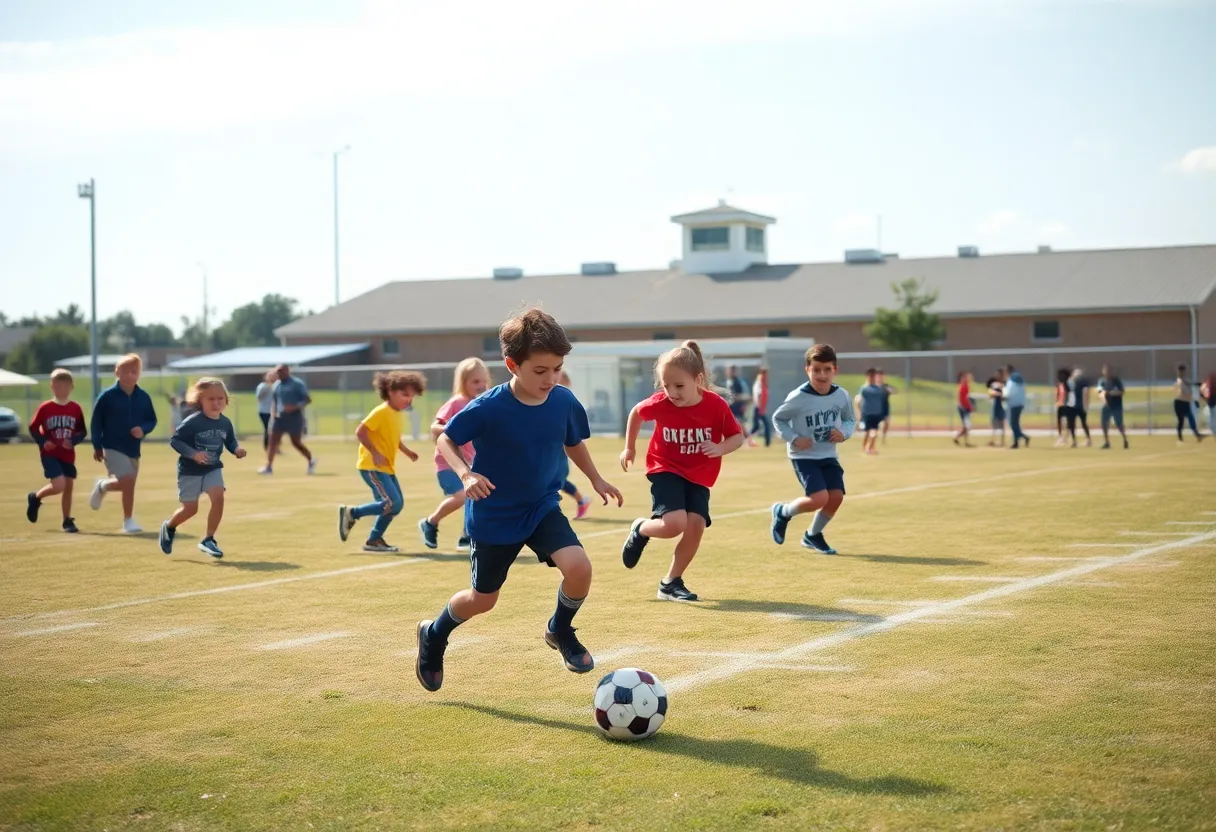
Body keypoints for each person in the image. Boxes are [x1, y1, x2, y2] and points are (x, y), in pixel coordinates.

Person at [413, 308, 623, 692]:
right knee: (483, 600)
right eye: (540, 371)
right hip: (494, 515)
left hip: (541, 506)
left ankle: (560, 629)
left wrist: (596, 478)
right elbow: (446, 438)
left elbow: (572, 440)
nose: (550, 378)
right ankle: (435, 634)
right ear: (512, 364)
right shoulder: (489, 406)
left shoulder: (564, 401)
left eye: (556, 368)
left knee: (579, 568)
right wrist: (465, 472)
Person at [618, 340, 745, 602]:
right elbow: (636, 413)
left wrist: (720, 448)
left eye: (679, 386)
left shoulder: (715, 405)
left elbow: (737, 437)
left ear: (698, 379)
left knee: (696, 525)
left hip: (699, 473)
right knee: (675, 524)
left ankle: (670, 583)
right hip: (665, 466)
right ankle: (641, 528)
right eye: (666, 386)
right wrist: (629, 448)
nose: (672, 392)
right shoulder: (661, 403)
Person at [769, 344, 855, 555]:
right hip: (804, 456)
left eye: (827, 369)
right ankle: (783, 511)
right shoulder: (798, 397)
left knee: (836, 497)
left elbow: (849, 419)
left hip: (828, 455)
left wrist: (843, 433)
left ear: (835, 370)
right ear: (807, 369)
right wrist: (794, 438)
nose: (822, 375)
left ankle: (813, 535)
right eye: (816, 369)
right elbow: (778, 419)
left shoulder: (841, 395)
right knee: (818, 499)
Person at [337, 371, 426, 553]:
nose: (409, 400)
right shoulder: (381, 412)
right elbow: (361, 431)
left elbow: (394, 439)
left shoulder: (397, 414)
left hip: (386, 468)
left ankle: (374, 540)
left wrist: (407, 452)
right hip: (372, 466)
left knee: (394, 506)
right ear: (390, 391)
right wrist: (375, 453)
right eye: (405, 395)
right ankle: (353, 513)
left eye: (412, 396)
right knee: (393, 503)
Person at [159, 378, 247, 558]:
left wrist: (236, 449)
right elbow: (175, 440)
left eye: (220, 399)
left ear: (226, 400)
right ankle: (169, 526)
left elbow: (230, 440)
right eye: (211, 399)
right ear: (200, 401)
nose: (216, 403)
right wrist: (193, 454)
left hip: (212, 468)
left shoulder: (225, 423)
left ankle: (209, 539)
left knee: (218, 497)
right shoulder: (193, 422)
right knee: (190, 509)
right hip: (189, 471)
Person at [419, 358, 490, 552]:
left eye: (483, 381)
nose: (481, 386)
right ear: (463, 382)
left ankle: (467, 537)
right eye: (475, 382)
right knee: (462, 497)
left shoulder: (482, 404)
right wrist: (453, 430)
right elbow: (435, 427)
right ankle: (430, 522)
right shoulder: (456, 403)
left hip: (470, 465)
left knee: (478, 497)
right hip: (447, 464)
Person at [88, 354, 157, 533]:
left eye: (134, 372)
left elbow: (151, 420)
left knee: (127, 483)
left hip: (133, 448)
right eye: (125, 371)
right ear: (117, 372)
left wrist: (143, 429)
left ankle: (103, 486)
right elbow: (96, 422)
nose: (130, 375)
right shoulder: (107, 397)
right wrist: (97, 445)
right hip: (111, 446)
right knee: (127, 480)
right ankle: (128, 520)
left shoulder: (143, 397)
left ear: (139, 374)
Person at [26, 368, 87, 534]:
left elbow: (82, 431)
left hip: (67, 455)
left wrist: (73, 440)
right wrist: (43, 441)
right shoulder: (45, 408)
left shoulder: (75, 408)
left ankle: (67, 520)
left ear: (71, 387)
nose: (61, 389)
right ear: (51, 386)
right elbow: (33, 428)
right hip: (50, 454)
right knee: (59, 485)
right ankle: (36, 497)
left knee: (68, 487)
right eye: (57, 385)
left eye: (65, 386)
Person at [260, 364, 316, 475]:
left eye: (281, 371)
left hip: (294, 418)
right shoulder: (277, 385)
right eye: (277, 372)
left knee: (296, 442)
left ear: (287, 371)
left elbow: (307, 399)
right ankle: (268, 467)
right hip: (279, 418)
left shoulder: (297, 384)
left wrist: (294, 407)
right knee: (273, 441)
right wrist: (273, 415)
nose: (278, 374)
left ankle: (311, 459)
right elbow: (275, 401)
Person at [555, 369, 593, 520]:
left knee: (558, 479)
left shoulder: (566, 401)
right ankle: (581, 500)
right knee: (553, 479)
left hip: (562, 448)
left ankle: (582, 500)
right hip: (550, 447)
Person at [1097, 364, 1128, 450]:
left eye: (1108, 370)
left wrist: (1111, 393)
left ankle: (1125, 439)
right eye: (1105, 370)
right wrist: (1104, 400)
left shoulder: (1116, 381)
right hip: (1106, 406)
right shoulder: (1101, 381)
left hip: (1116, 406)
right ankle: (1107, 442)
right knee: (1104, 424)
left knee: (1119, 424)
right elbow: (1100, 392)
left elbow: (1121, 392)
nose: (1106, 372)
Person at [854, 368, 885, 455]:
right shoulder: (864, 389)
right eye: (870, 376)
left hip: (876, 414)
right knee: (867, 432)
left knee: (874, 431)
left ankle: (870, 448)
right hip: (866, 413)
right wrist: (858, 412)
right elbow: (857, 401)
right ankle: (865, 448)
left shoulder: (878, 389)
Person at [1172, 364, 1205, 443]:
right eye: (1181, 371)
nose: (1182, 372)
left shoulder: (1186, 380)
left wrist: (1198, 384)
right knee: (1181, 420)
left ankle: (1197, 435)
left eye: (1183, 371)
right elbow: (1185, 392)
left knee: (1191, 418)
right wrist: (1194, 400)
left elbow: (1191, 386)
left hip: (1185, 402)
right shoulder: (1179, 381)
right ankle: (1180, 438)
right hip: (1179, 402)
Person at [1003, 364, 1029, 448]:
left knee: (1013, 423)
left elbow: (1008, 393)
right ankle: (1020, 439)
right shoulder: (1019, 379)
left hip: (1013, 404)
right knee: (1015, 424)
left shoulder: (1012, 380)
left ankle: (1018, 441)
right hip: (1020, 403)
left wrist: (1003, 396)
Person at [725, 364, 753, 443]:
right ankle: (747, 440)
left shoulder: (736, 382)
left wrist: (744, 399)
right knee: (737, 423)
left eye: (730, 370)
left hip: (737, 405)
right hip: (733, 405)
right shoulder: (731, 381)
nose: (728, 372)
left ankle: (749, 440)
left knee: (740, 423)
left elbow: (737, 395)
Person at [749, 367, 771, 447]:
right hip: (758, 408)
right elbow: (759, 395)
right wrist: (760, 408)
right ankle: (767, 443)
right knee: (765, 425)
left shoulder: (761, 382)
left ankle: (748, 439)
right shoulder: (760, 383)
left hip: (759, 408)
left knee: (757, 426)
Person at [255, 370, 276, 450]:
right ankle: (267, 447)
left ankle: (274, 447)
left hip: (273, 411)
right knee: (268, 429)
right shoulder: (262, 386)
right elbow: (259, 398)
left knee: (274, 430)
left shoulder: (276, 386)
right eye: (271, 376)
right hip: (264, 411)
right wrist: (267, 388)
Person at [953, 370, 975, 447]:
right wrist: (968, 406)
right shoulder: (963, 386)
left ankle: (961, 439)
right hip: (963, 408)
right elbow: (963, 399)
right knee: (966, 426)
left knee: (966, 426)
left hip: (964, 407)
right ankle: (960, 439)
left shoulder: (965, 386)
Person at [986, 369, 1006, 447]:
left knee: (1002, 423)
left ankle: (1002, 441)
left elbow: (1004, 395)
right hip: (995, 406)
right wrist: (996, 394)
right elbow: (990, 392)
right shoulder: (994, 384)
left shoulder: (1003, 385)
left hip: (1002, 406)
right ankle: (992, 440)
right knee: (994, 423)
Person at [1054, 368, 1072, 446]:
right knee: (1059, 421)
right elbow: (1058, 394)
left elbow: (1068, 394)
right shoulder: (1059, 385)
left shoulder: (1068, 384)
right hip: (1060, 405)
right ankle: (1060, 436)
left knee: (1067, 422)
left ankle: (1066, 437)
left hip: (1067, 405)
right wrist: (1057, 402)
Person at [877, 369, 896, 444]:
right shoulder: (873, 386)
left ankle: (883, 438)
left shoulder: (886, 386)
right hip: (875, 409)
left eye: (881, 376)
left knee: (886, 423)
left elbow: (895, 391)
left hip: (885, 408)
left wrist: (890, 390)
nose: (880, 378)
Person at [1202, 371, 1216, 438]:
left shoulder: (1210, 378)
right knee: (1213, 416)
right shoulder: (1211, 378)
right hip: (1212, 399)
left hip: (1211, 400)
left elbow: (1203, 389)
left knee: (1212, 416)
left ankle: (1213, 431)